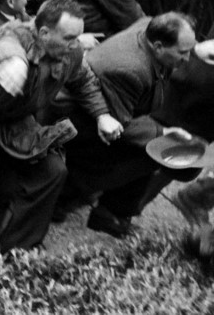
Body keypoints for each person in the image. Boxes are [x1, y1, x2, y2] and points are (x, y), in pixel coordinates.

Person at [0, 0, 122, 263]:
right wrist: (16, 62)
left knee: (51, 172)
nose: (75, 43)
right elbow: (5, 45)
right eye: (68, 37)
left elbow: (82, 79)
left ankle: (17, 252)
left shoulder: (70, 51)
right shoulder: (14, 35)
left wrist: (102, 115)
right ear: (43, 32)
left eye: (77, 36)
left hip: (15, 125)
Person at [62, 13, 199, 237]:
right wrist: (164, 133)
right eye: (183, 52)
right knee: (156, 151)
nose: (188, 58)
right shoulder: (129, 70)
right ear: (158, 47)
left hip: (115, 111)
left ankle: (107, 206)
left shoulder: (151, 27)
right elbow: (121, 127)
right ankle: (95, 203)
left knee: (161, 138)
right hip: (84, 129)